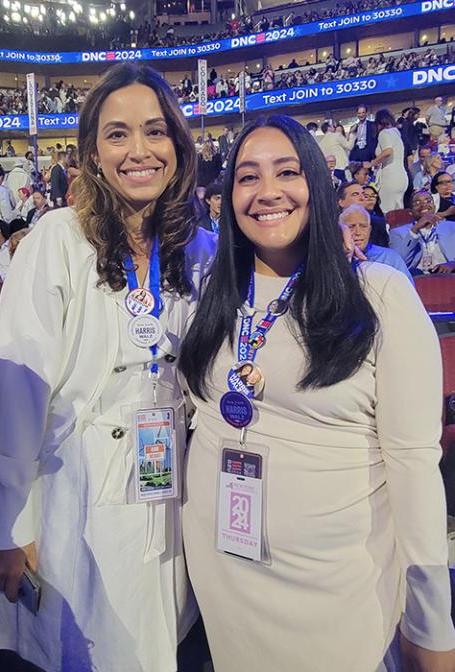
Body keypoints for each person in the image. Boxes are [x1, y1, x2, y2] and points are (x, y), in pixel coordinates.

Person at [180, 114, 455, 672]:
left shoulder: (378, 294)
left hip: (336, 596)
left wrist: (430, 621)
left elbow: (415, 465)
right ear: (228, 195)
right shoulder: (212, 291)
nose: (267, 192)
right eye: (247, 177)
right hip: (226, 583)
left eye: (287, 171)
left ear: (317, 185)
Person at [0, 63, 216, 672]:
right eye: (118, 134)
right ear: (92, 152)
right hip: (71, 489)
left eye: (156, 131)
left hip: (169, 487)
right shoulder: (57, 238)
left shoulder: (199, 248)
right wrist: (9, 521)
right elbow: (15, 391)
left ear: (178, 147)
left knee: (158, 646)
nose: (139, 150)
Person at [340, 204, 412, 282]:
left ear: (369, 230)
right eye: (351, 227)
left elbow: (407, 289)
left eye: (363, 226)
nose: (358, 232)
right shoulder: (336, 259)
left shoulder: (390, 257)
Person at [390, 190, 455, 274]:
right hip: (416, 278)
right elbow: (398, 264)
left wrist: (453, 264)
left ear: (434, 206)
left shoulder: (451, 227)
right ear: (410, 212)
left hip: (447, 276)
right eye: (417, 203)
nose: (424, 205)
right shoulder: (397, 233)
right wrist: (415, 230)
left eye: (428, 201)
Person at [365, 108, 408, 214]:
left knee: (387, 211)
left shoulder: (384, 133)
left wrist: (372, 163)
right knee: (399, 211)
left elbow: (388, 151)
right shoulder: (396, 132)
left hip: (390, 177)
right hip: (401, 176)